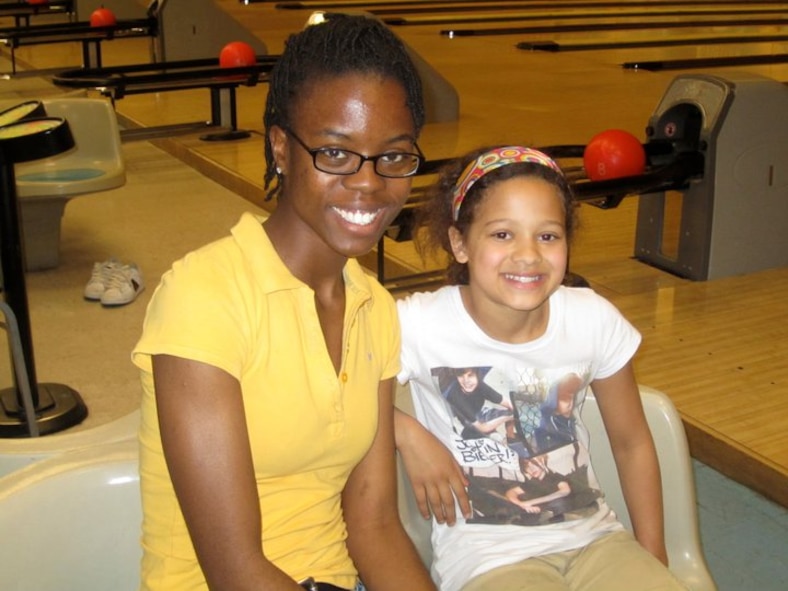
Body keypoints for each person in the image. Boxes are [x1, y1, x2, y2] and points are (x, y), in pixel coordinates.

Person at [132, 15, 436, 591]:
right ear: (280, 148)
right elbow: (234, 571)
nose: (369, 183)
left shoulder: (373, 307)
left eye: (394, 156)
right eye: (336, 153)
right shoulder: (206, 295)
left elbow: (373, 525)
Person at [395, 146, 687, 591]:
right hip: (489, 562)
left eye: (548, 236)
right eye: (502, 234)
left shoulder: (592, 318)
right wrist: (406, 432)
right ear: (460, 243)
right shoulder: (419, 324)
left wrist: (653, 557)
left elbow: (632, 443)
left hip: (597, 542)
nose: (528, 255)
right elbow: (334, 390)